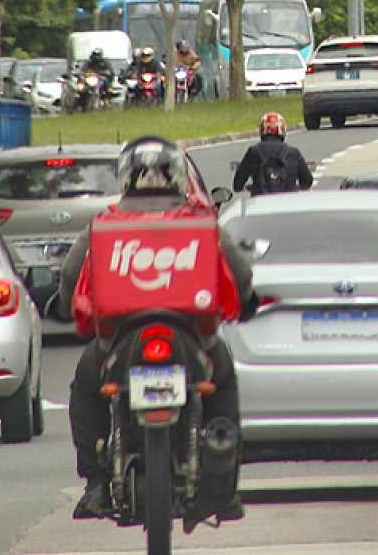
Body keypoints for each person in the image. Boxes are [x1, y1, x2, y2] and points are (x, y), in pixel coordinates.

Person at [60, 138, 253, 524]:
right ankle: (224, 483)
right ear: (177, 177)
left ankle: (95, 483)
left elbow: (70, 276)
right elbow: (241, 274)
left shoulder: (104, 223)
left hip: (120, 339)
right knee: (223, 378)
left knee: (86, 385)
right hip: (192, 337)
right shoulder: (201, 221)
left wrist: (66, 306)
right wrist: (247, 301)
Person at [232, 112, 312, 194]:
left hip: (261, 199)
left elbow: (237, 185)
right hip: (288, 200)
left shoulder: (253, 152)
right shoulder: (293, 153)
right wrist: (294, 187)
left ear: (262, 130)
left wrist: (253, 187)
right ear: (282, 130)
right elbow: (307, 182)